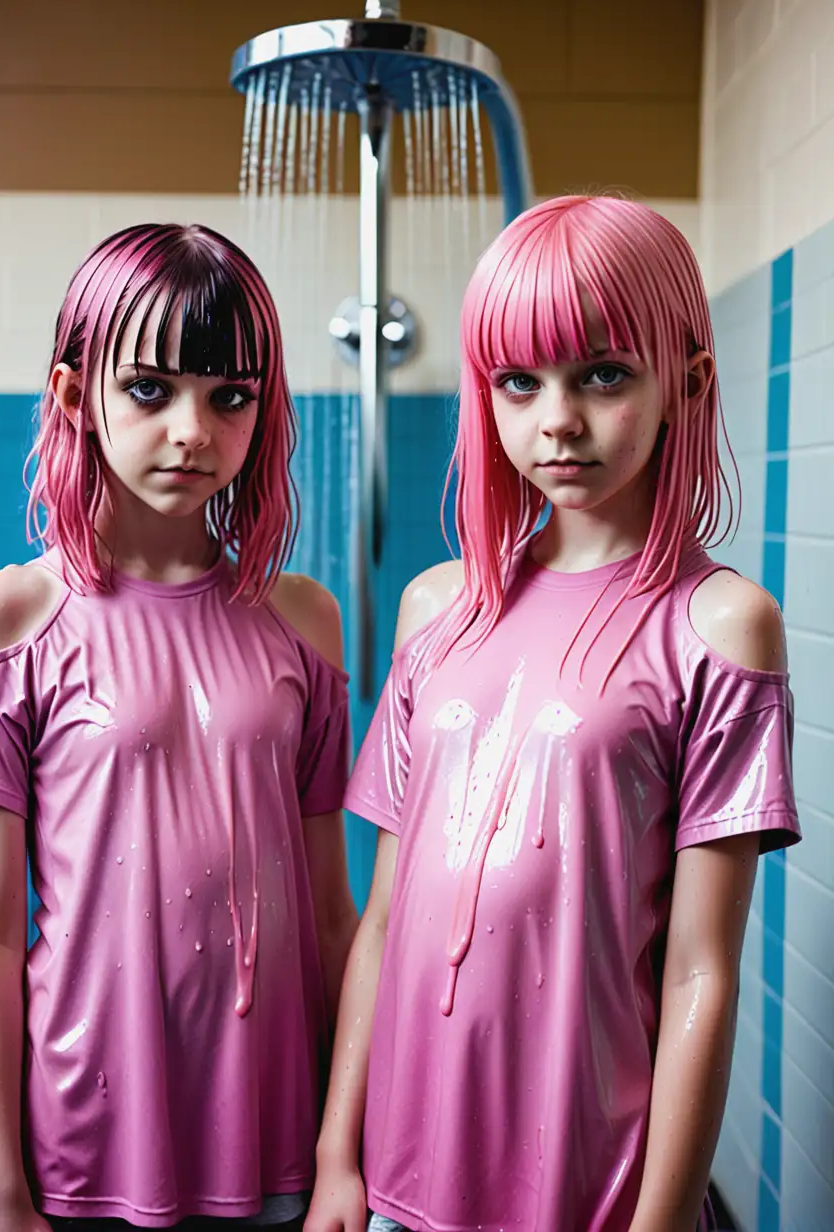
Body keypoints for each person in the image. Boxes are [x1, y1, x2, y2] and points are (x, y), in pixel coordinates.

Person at [305, 195, 801, 1232]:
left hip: (589, 1187)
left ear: (686, 385)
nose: (556, 420)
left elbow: (701, 967)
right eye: (518, 382)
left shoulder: (718, 626)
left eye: (603, 375)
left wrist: (658, 1221)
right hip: (398, 1176)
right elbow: (386, 921)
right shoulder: (437, 608)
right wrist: (334, 1156)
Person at [0, 223, 357, 1232]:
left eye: (230, 396)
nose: (193, 432)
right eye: (151, 390)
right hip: (89, 1131)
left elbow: (332, 912)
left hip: (276, 1126)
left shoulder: (303, 618)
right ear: (78, 395)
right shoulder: (9, 619)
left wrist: (349, 1136)